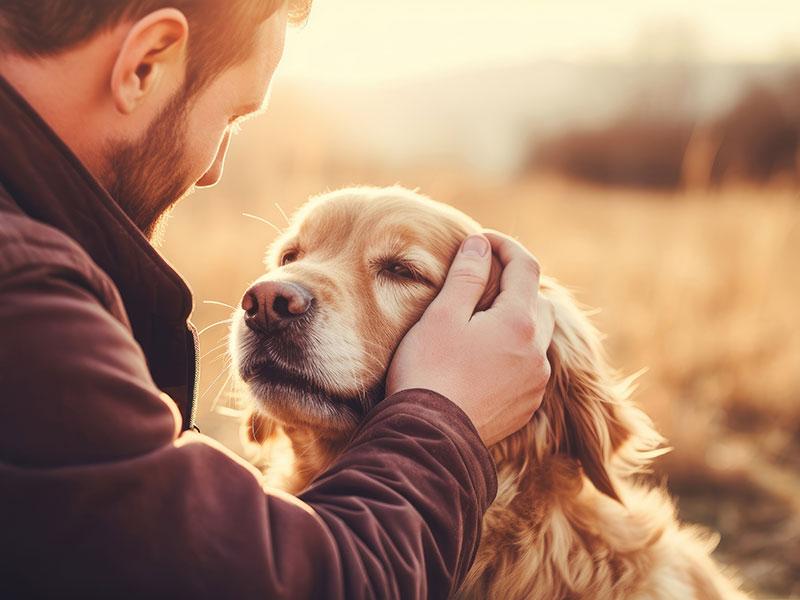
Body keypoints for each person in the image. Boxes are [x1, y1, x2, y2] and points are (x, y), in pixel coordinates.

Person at [0, 1, 554, 597]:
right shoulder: (21, 291)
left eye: (398, 269)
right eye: (232, 116)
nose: (212, 169)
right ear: (144, 63)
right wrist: (444, 415)